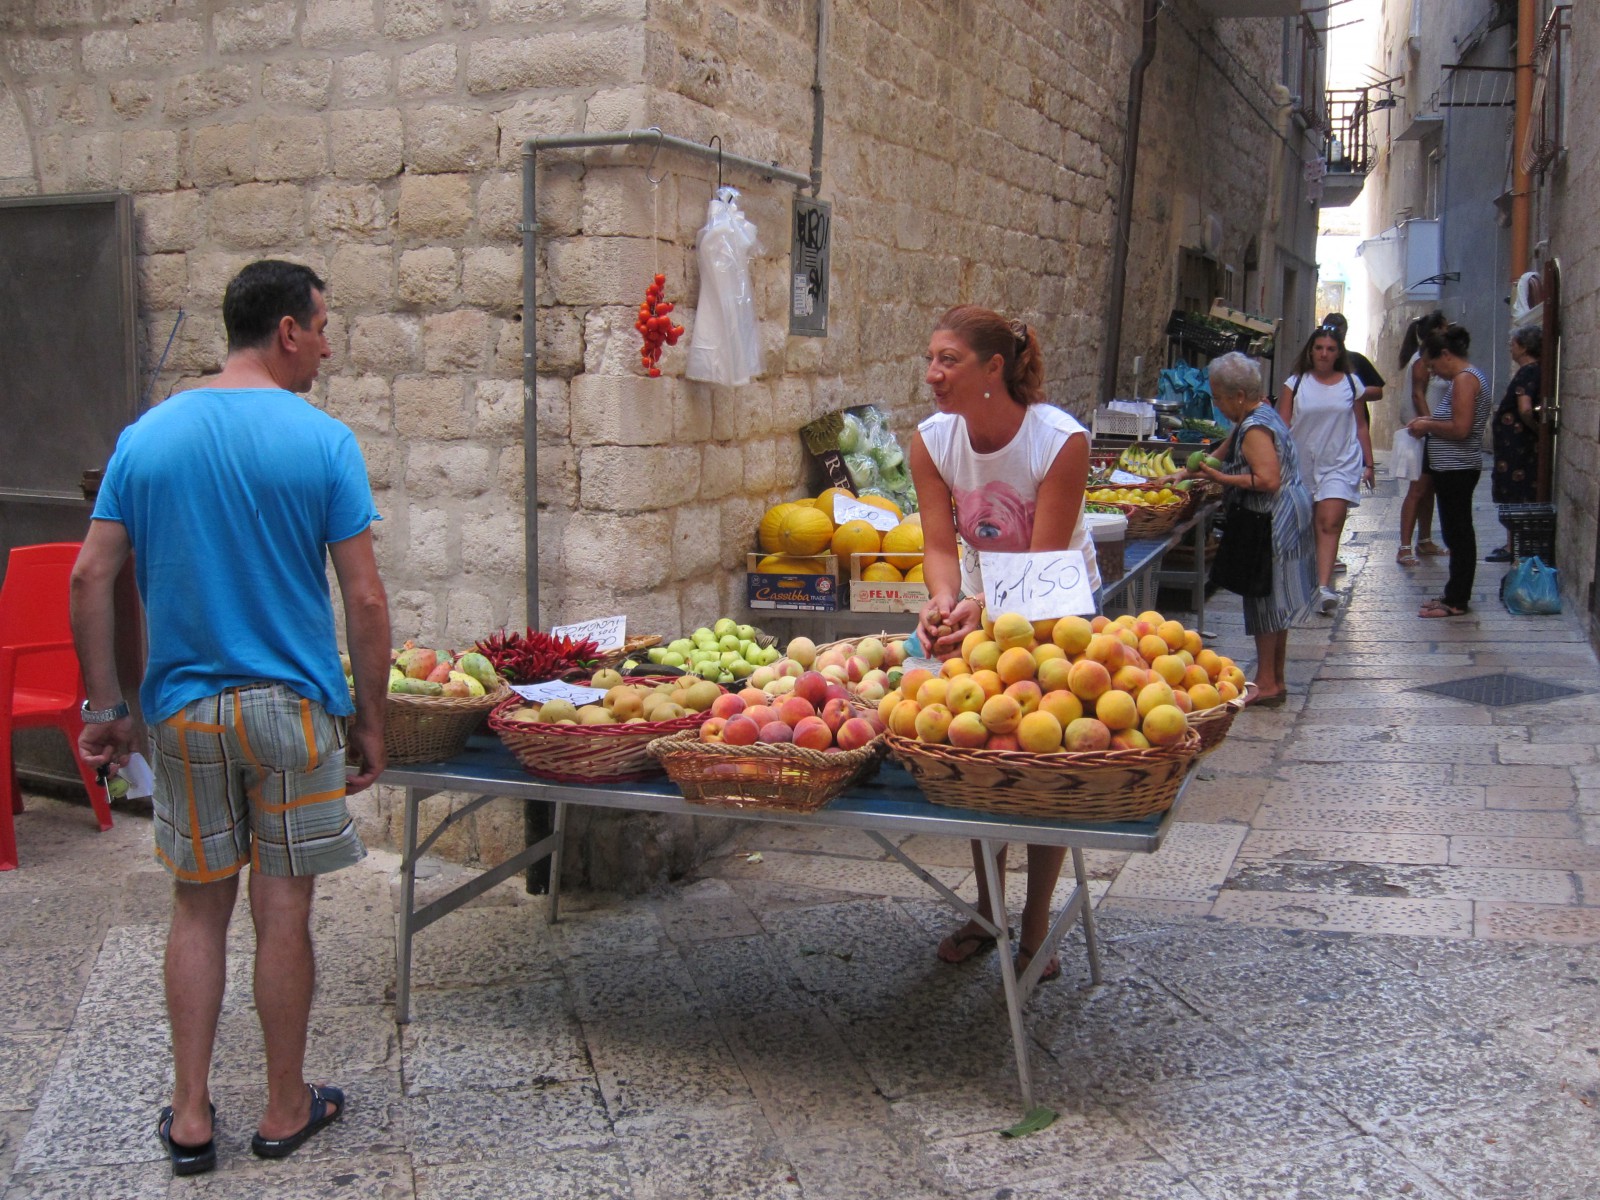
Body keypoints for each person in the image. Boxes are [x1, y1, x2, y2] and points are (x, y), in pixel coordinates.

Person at [69, 261, 391, 1176]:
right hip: (293, 714)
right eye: (322, 327)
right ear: (287, 331)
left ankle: (190, 1117)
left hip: (185, 715)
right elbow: (365, 599)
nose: (327, 347)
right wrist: (372, 720)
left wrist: (108, 707)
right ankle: (285, 1108)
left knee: (198, 909)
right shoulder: (323, 441)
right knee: (284, 912)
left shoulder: (147, 437)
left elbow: (90, 576)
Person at [910, 304, 1099, 984]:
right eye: (930, 359)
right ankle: (988, 911)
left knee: (1047, 762)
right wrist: (942, 601)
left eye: (949, 360)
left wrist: (981, 607)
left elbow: (1043, 562)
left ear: (994, 367)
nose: (933, 374)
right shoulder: (932, 442)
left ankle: (1037, 924)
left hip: (1055, 612)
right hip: (979, 607)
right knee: (978, 753)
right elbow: (939, 545)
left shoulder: (1059, 441)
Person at [1169, 353, 1313, 706]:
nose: (1216, 404)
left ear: (1237, 396)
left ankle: (1266, 682)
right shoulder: (1258, 414)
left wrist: (1220, 478)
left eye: (1218, 397)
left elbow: (1267, 479)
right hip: (1287, 512)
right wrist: (1188, 472)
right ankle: (1274, 679)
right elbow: (1223, 449)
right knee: (1276, 600)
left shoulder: (1254, 428)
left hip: (1272, 518)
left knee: (1266, 599)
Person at [1278, 325, 1374, 615]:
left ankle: (1322, 588)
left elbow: (1361, 424)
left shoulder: (1351, 384)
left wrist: (1369, 463)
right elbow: (1282, 426)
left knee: (1330, 522)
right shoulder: (1295, 384)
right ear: (1310, 351)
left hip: (1340, 463)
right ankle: (1304, 583)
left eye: (1330, 349)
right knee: (1305, 526)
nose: (1324, 354)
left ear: (1338, 353)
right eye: (1319, 348)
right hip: (1302, 463)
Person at [1406, 322, 1491, 617]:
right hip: (1452, 467)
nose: (1432, 373)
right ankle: (1453, 592)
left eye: (1432, 366)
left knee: (1459, 534)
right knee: (1456, 532)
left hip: (1458, 468)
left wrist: (1427, 425)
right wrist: (1427, 423)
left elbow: (1461, 428)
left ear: (1445, 354)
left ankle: (1456, 600)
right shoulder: (1464, 379)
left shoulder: (1465, 380)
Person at [1395, 311, 1449, 565]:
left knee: (1428, 490)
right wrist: (1430, 424)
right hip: (1424, 434)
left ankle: (1425, 540)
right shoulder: (1422, 362)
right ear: (1436, 330)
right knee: (1417, 489)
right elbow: (1418, 395)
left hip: (1431, 433)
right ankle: (1404, 547)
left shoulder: (1429, 358)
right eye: (1444, 327)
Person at [1487, 324, 1543, 562]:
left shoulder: (1528, 372)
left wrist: (1537, 430)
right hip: (1513, 447)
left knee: (1515, 494)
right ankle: (1512, 543)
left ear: (1524, 347)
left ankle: (1514, 546)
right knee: (1514, 494)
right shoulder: (1530, 371)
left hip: (1517, 449)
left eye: (1513, 343)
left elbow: (1525, 408)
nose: (1511, 347)